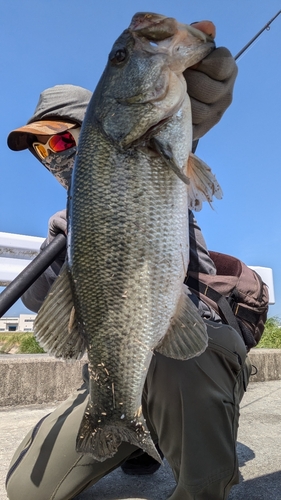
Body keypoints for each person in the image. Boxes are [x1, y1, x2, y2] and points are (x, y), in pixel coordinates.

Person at [5, 25, 252, 500]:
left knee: (173, 361)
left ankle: (200, 473)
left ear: (93, 126)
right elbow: (39, 302)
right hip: (116, 374)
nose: (49, 157)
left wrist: (185, 120)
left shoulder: (158, 171)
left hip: (189, 355)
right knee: (26, 491)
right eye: (40, 151)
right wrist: (64, 239)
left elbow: (170, 151)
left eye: (58, 141)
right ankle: (131, 426)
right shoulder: (65, 225)